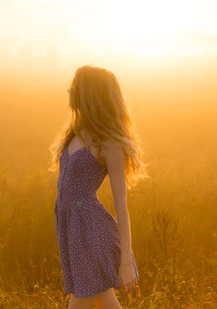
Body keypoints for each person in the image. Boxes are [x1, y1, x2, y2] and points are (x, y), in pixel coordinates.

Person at [49, 65, 148, 308]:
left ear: (87, 93)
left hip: (91, 231)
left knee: (80, 301)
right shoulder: (74, 133)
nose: (69, 89)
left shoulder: (108, 143)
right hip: (71, 229)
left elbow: (121, 205)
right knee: (105, 300)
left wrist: (126, 261)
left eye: (74, 85)